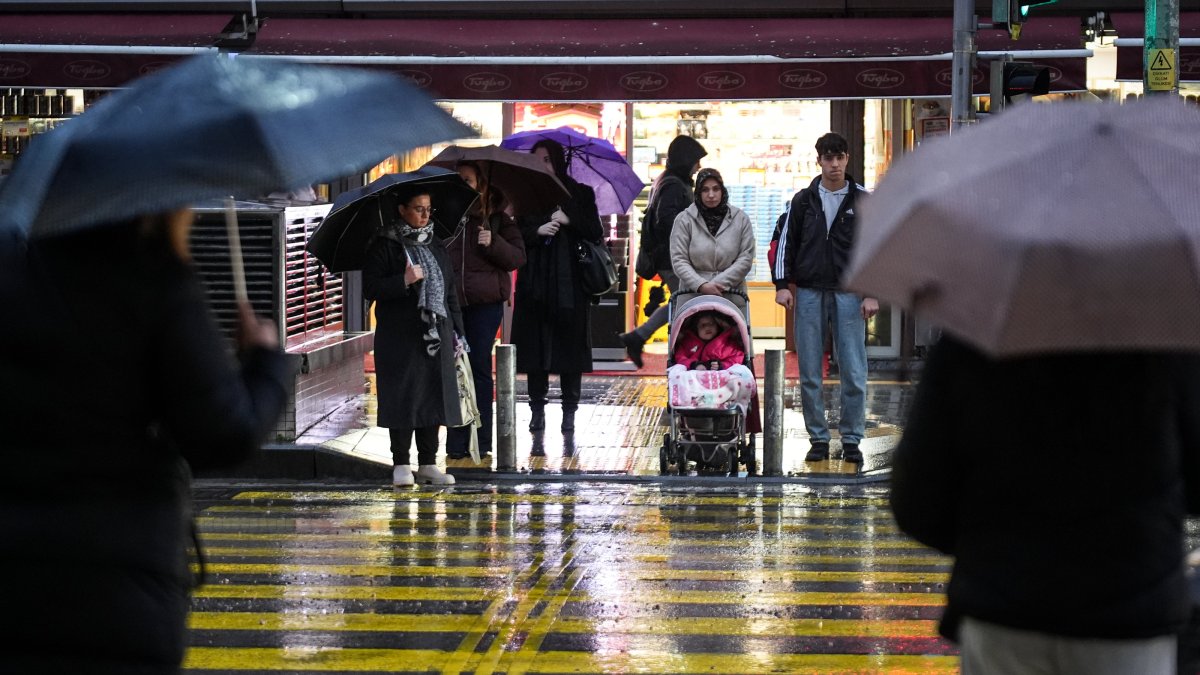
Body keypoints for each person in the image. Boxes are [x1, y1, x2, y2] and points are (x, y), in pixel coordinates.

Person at [0, 209, 289, 672]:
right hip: (119, 584)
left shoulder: (13, 276)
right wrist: (265, 362)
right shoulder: (154, 282)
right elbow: (221, 433)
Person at [891, 334, 1200, 675]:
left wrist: (987, 548)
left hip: (1003, 610)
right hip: (1131, 616)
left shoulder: (971, 345)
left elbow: (917, 498)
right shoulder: (1163, 348)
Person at [773, 132, 878, 465]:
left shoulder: (864, 200)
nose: (834, 164)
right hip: (808, 291)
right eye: (828, 158)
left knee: (853, 368)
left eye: (839, 157)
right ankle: (817, 437)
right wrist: (781, 284)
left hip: (849, 291)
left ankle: (851, 439)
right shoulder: (803, 200)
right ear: (818, 160)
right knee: (809, 371)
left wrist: (873, 292)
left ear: (847, 159)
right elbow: (785, 243)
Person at [363, 188, 462, 486]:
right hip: (399, 334)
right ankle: (401, 463)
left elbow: (450, 292)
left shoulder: (436, 244)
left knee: (433, 396)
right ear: (402, 209)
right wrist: (404, 280)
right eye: (418, 208)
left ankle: (429, 462)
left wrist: (458, 332)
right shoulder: (385, 245)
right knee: (404, 396)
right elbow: (371, 289)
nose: (425, 215)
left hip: (435, 333)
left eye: (429, 209)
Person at [512, 139, 604, 437]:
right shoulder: (526, 195)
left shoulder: (579, 193)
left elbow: (595, 232)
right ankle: (537, 410)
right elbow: (516, 235)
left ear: (559, 161)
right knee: (536, 352)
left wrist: (570, 219)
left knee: (570, 351)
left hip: (571, 287)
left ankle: (569, 412)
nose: (542, 165)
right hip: (535, 285)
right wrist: (537, 230)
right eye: (537, 159)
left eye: (547, 159)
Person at [444, 161, 526, 460]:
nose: (462, 184)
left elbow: (517, 257)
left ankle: (482, 439)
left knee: (477, 367)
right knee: (454, 370)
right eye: (458, 179)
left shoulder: (498, 219)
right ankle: (456, 443)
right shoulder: (446, 217)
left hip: (484, 305)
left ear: (480, 183)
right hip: (452, 305)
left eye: (467, 179)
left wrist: (493, 243)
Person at [619, 134, 707, 367]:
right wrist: (689, 235)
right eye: (696, 160)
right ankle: (673, 349)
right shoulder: (673, 184)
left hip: (670, 257)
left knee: (684, 301)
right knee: (688, 302)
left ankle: (641, 337)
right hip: (673, 258)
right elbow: (666, 219)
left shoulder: (669, 181)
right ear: (685, 159)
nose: (698, 166)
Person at [668, 167, 755, 318]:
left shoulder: (740, 219)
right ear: (698, 193)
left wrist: (718, 284)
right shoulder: (684, 220)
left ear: (722, 190)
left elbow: (746, 258)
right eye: (705, 190)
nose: (711, 195)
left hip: (731, 295)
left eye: (716, 189)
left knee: (732, 341)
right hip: (692, 297)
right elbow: (679, 259)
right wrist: (701, 285)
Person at [673, 311, 744, 371]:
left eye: (711, 324)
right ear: (696, 329)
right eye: (703, 325)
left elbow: (737, 357)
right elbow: (680, 358)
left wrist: (722, 365)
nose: (707, 327)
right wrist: (693, 364)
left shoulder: (727, 344)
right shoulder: (687, 343)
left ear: (718, 326)